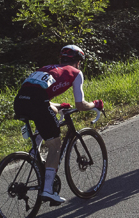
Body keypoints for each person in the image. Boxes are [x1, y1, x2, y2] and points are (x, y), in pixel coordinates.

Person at [12, 45, 103, 205]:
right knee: (55, 145)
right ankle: (47, 190)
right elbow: (80, 105)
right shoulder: (76, 72)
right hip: (37, 103)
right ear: (78, 62)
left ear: (61, 59)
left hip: (20, 102)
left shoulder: (46, 68)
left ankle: (35, 153)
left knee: (46, 119)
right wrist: (95, 104)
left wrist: (59, 106)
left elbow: (37, 95)